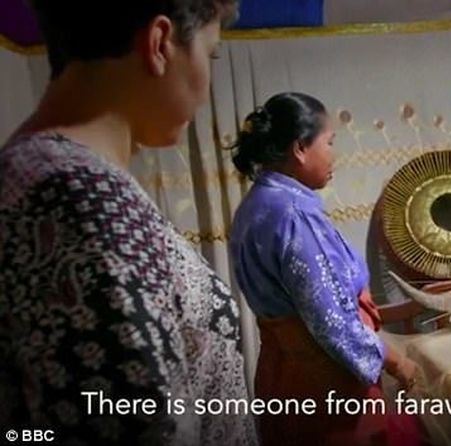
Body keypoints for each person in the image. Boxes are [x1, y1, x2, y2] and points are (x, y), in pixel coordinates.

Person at [0, 1, 257, 445]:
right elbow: (143, 422)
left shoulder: (53, 175)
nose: (205, 87)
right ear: (159, 44)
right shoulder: (79, 194)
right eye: (210, 54)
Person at [228, 92, 422, 445]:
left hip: (282, 373)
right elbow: (332, 323)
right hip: (322, 381)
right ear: (301, 148)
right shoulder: (293, 214)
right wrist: (396, 362)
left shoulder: (254, 205)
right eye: (329, 142)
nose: (334, 154)